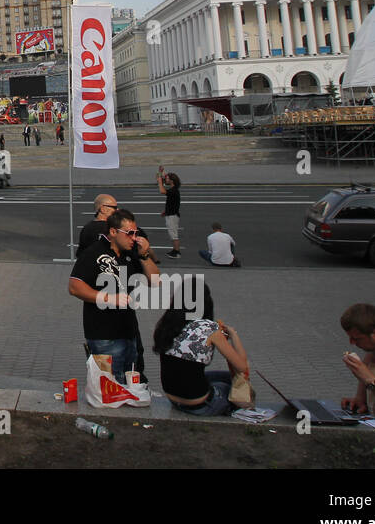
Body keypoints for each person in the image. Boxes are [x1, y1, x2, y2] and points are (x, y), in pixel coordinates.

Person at [68, 208, 160, 383]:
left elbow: (155, 281)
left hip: (129, 330)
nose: (134, 238)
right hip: (103, 334)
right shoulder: (94, 253)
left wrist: (145, 255)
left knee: (131, 380)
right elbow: (74, 287)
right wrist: (109, 298)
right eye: (129, 233)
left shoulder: (131, 253)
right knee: (109, 385)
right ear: (113, 232)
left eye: (136, 233)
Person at [154, 285, 250, 416]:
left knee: (224, 377)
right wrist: (233, 335)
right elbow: (242, 367)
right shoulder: (210, 329)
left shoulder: (168, 324)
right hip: (200, 405)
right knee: (232, 386)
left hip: (173, 399)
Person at [157, 166, 183, 258]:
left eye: (167, 179)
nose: (165, 180)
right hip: (171, 214)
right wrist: (161, 172)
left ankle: (177, 252)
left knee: (173, 234)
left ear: (172, 181)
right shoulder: (174, 190)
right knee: (172, 234)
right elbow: (172, 204)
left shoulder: (173, 191)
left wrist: (160, 182)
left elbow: (162, 191)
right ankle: (174, 250)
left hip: (172, 216)